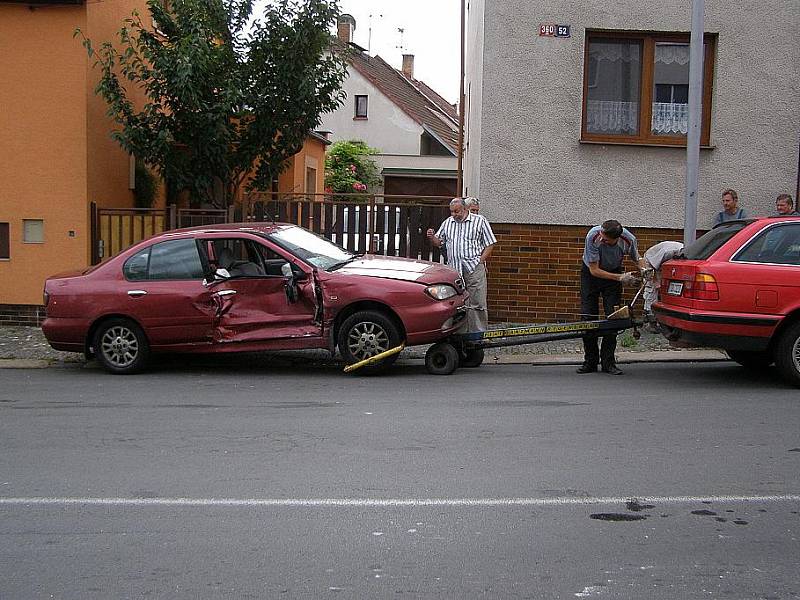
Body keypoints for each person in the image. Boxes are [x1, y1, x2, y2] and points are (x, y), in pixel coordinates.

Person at [577, 219, 641, 376]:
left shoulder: (628, 240)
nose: (601, 238)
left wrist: (645, 270)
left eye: (605, 239)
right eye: (601, 234)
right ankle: (590, 362)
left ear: (616, 239)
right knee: (588, 317)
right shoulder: (593, 236)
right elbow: (594, 270)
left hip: (613, 273)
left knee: (613, 319)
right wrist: (620, 278)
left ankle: (608, 363)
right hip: (591, 276)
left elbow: (637, 258)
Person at [427, 198, 496, 332]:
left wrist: (481, 261)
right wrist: (432, 237)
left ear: (465, 209)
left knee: (477, 302)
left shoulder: (479, 221)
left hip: (474, 268)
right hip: (455, 270)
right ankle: (460, 333)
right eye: (452, 212)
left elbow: (490, 243)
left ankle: (478, 334)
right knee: (458, 303)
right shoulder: (448, 223)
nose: (454, 214)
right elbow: (439, 242)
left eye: (457, 211)